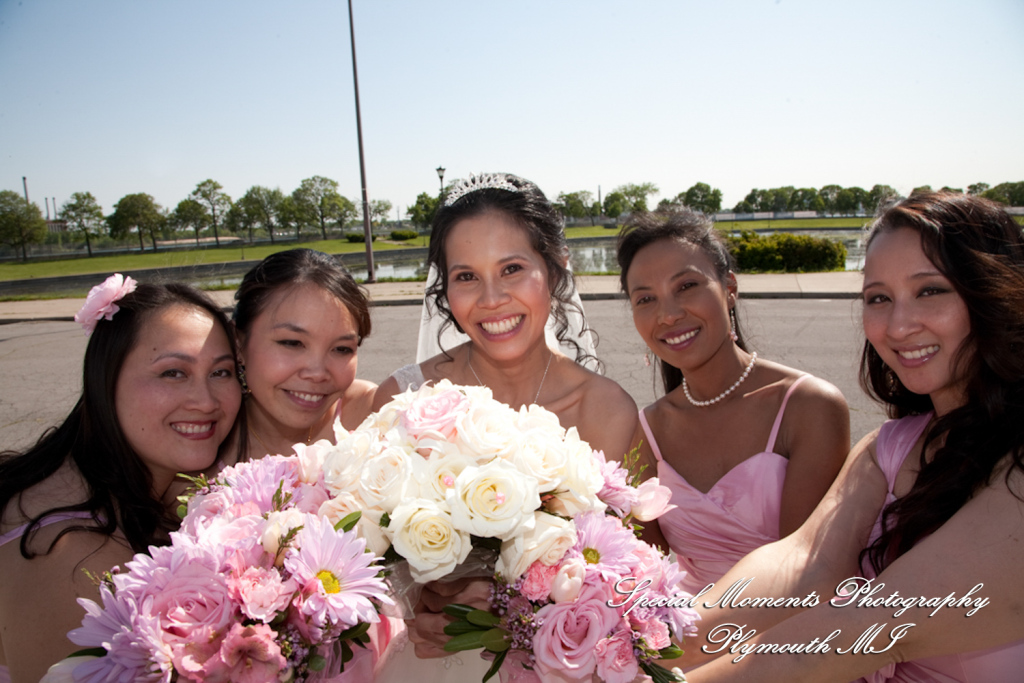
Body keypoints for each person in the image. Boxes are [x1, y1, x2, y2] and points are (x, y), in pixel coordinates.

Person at [679, 191, 1024, 682]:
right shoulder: (890, 446)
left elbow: (864, 626)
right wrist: (642, 640)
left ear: (993, 292)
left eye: (930, 291)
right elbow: (803, 566)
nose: (899, 325)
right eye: (878, 298)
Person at [372, 173, 638, 680]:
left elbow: (625, 574)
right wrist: (418, 599)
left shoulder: (606, 411)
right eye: (466, 276)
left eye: (512, 268)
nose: (491, 299)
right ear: (443, 286)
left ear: (555, 269)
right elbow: (370, 555)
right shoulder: (403, 400)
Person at [0, 276, 242, 683]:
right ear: (105, 379)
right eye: (172, 373)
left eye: (221, 372)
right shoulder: (72, 558)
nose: (205, 401)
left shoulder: (128, 483)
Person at [617, 208, 850, 594]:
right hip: (684, 636)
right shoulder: (647, 431)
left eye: (687, 286)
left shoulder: (808, 407)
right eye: (645, 299)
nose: (668, 314)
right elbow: (645, 573)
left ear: (729, 289)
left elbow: (804, 572)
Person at [225, 248, 377, 462]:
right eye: (292, 343)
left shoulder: (376, 418)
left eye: (342, 348)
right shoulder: (202, 439)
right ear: (238, 343)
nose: (317, 373)